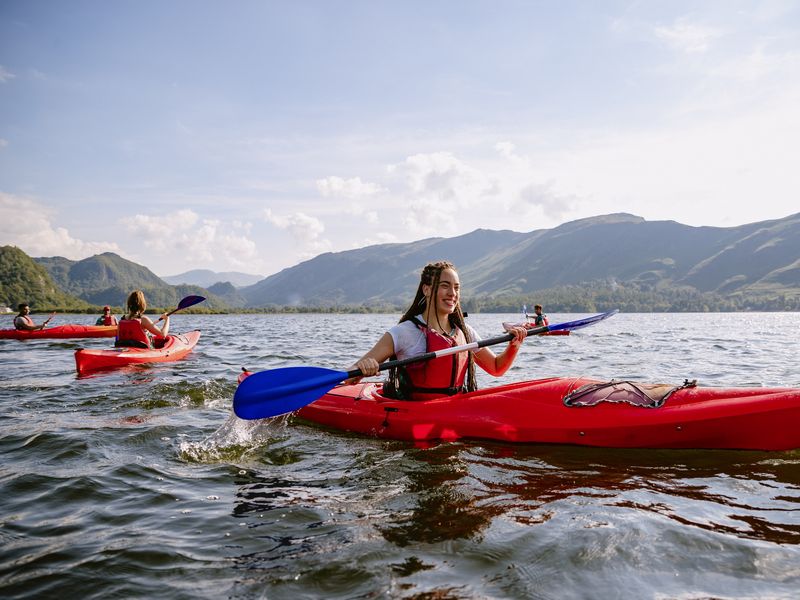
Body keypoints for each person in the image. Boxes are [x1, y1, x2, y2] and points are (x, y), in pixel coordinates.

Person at [350, 261, 528, 400]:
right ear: (427, 289)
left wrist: (514, 345)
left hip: (454, 408)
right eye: (445, 285)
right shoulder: (403, 332)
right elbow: (351, 375)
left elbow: (496, 368)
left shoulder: (465, 332)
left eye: (456, 288)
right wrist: (363, 368)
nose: (452, 293)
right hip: (415, 414)